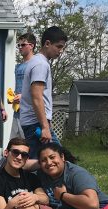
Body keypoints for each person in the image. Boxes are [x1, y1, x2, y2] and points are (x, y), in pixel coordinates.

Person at [20, 26, 67, 160]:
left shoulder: (38, 62)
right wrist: (45, 127)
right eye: (58, 46)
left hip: (36, 123)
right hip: (36, 124)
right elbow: (36, 97)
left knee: (42, 163)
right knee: (57, 160)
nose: (60, 51)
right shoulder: (40, 64)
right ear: (47, 44)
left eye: (62, 47)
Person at [10, 33, 36, 139]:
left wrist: (23, 96)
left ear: (31, 46)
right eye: (18, 45)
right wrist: (12, 97)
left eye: (23, 45)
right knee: (14, 146)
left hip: (30, 115)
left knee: (30, 147)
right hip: (17, 113)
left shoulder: (36, 64)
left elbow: (39, 89)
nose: (20, 48)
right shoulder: (18, 66)